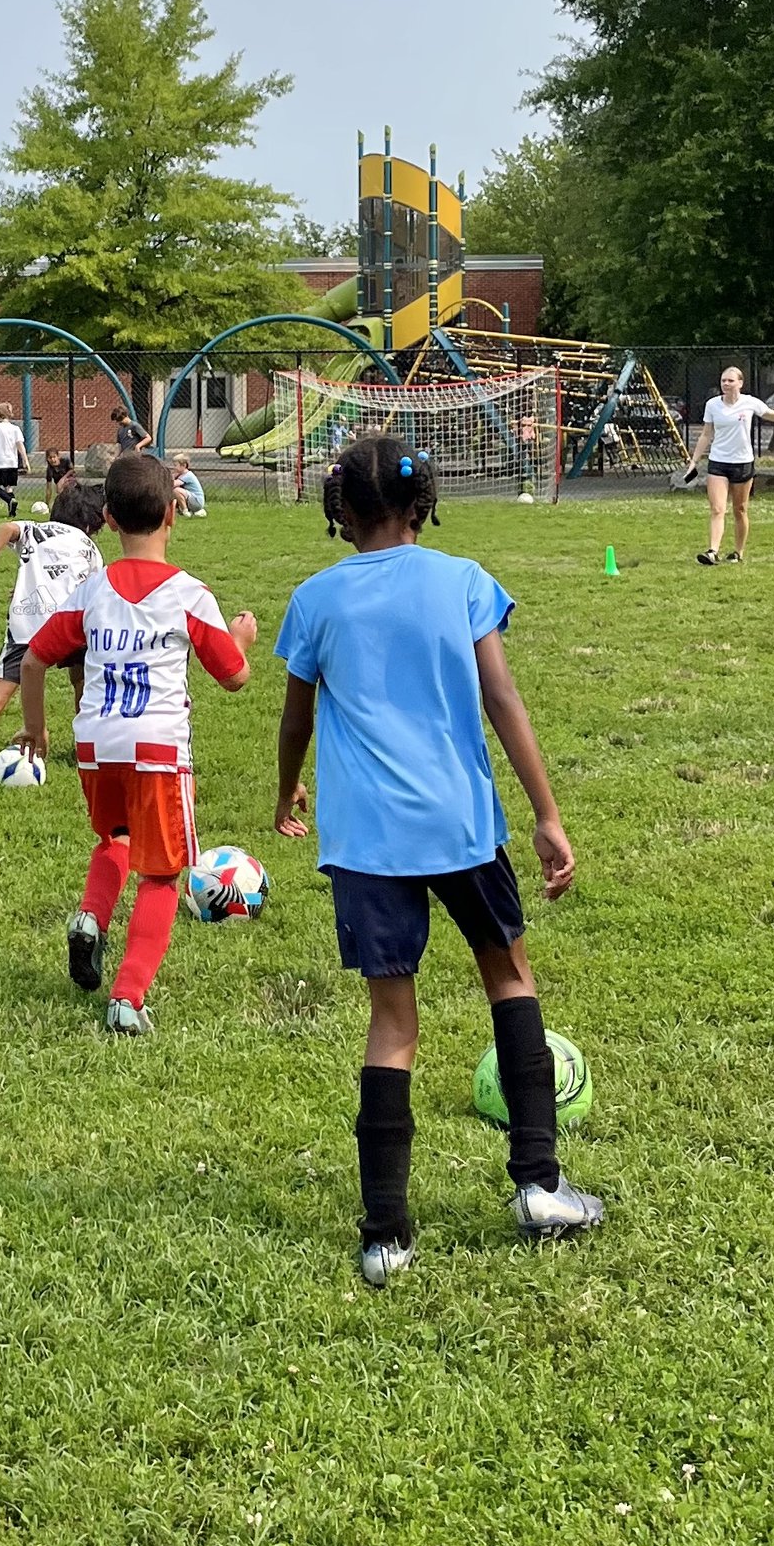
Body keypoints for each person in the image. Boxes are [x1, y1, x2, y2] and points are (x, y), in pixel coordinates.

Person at [274, 432, 604, 1270]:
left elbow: (296, 720)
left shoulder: (314, 599)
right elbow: (504, 699)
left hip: (366, 843)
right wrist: (547, 813)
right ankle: (538, 1183)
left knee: (392, 1023)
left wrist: (285, 793)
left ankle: (386, 1235)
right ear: (422, 503)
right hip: (461, 824)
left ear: (339, 507)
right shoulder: (462, 581)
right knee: (510, 978)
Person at [22, 449, 257, 1033]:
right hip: (157, 749)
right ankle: (127, 999)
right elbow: (234, 678)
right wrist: (240, 639)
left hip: (96, 746)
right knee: (161, 875)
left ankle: (89, 919)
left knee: (115, 838)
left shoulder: (92, 590)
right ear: (173, 515)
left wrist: (35, 726)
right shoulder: (189, 594)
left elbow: (34, 657)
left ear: (109, 519)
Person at [0, 476, 109, 793]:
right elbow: (95, 592)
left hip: (28, 625)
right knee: (83, 680)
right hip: (71, 625)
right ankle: (88, 749)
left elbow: (7, 530)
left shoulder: (36, 529)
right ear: (91, 524)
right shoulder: (90, 548)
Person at [691, 368, 774, 563]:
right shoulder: (713, 405)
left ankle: (738, 553)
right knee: (717, 509)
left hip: (742, 463)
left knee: (740, 510)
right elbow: (706, 434)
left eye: (730, 381)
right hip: (718, 462)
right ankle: (712, 551)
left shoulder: (750, 402)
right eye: (723, 380)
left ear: (740, 383)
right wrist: (694, 460)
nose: (725, 384)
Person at [0, 402, 29, 511]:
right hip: (12, 463)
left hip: (0, 463)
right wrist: (25, 461)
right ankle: (12, 510)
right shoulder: (15, 429)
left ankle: (10, 501)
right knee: (8, 487)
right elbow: (20, 445)